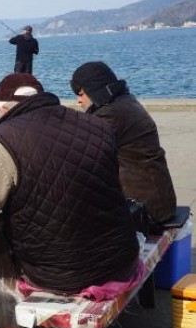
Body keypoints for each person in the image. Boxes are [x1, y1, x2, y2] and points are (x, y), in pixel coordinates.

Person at [0, 73, 141, 328]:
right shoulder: (96, 124)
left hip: (65, 275)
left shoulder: (7, 139)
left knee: (3, 250)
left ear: (4, 108)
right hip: (121, 259)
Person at [70, 61, 176, 224]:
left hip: (144, 209)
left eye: (82, 93)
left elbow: (80, 153)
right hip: (156, 200)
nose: (78, 100)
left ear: (95, 90)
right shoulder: (125, 102)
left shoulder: (111, 114)